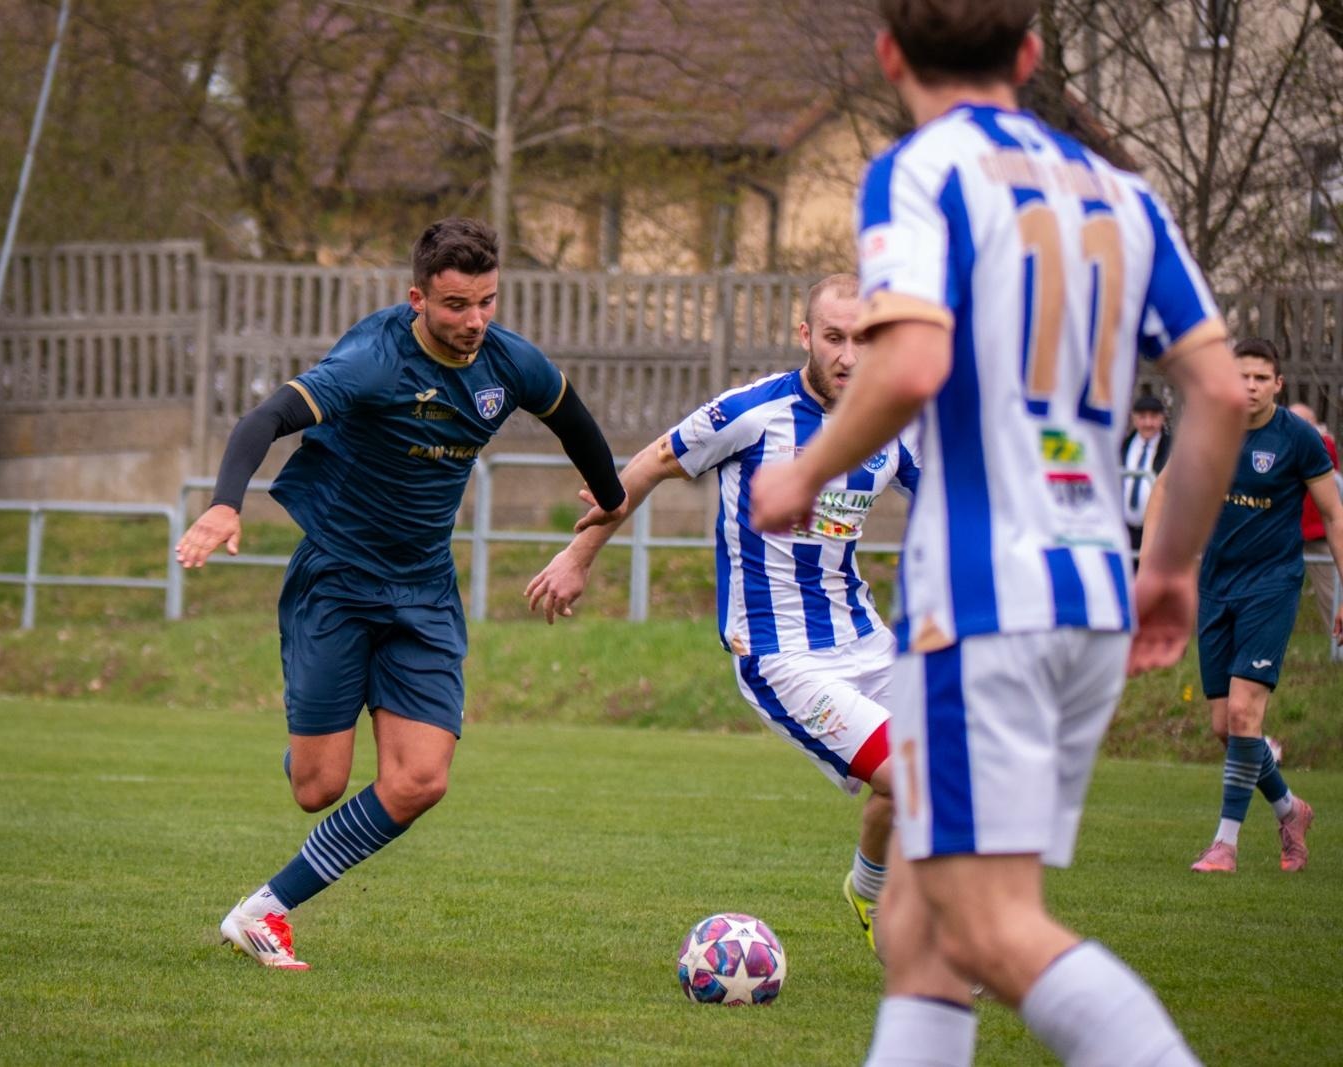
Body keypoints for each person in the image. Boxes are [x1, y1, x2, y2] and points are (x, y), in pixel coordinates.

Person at [745, 2, 1246, 1064]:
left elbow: (913, 361)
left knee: (987, 924)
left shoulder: (918, 172)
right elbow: (1215, 389)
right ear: (1026, 56)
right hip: (1089, 589)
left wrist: (806, 467)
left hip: (983, 602)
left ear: (888, 58)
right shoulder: (1121, 192)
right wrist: (1169, 563)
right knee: (922, 933)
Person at [176, 217, 627, 969]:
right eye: (455, 305)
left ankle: (264, 909)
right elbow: (267, 417)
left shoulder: (510, 363)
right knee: (318, 787)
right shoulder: (370, 363)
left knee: (420, 779)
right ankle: (309, 741)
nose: (474, 321)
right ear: (417, 297)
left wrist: (609, 495)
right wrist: (228, 501)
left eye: (486, 301)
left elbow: (574, 421)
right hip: (338, 581)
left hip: (423, 589)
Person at [525, 273, 918, 957]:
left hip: (867, 640)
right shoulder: (753, 412)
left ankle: (869, 888)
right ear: (805, 335)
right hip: (780, 654)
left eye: (862, 339)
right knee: (916, 776)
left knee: (941, 775)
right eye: (833, 337)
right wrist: (578, 556)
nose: (848, 356)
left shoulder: (891, 425)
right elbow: (648, 464)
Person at [1148, 339, 1343, 875]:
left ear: (1278, 383)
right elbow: (1163, 489)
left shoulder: (1300, 439)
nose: (1250, 386)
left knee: (1242, 714)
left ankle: (1224, 846)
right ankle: (1290, 809)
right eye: (1242, 377)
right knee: (1225, 727)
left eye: (1261, 377)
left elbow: (1333, 513)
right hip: (1216, 586)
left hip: (1272, 585)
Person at [1287, 401, 1340, 628]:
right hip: (1289, 532)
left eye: (1301, 421)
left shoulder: (1323, 445)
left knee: (1330, 593)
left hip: (1317, 533)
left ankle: (1338, 647)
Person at [1120, 394, 1171, 558]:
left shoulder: (1172, 449)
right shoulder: (1123, 446)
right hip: (1125, 530)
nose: (1148, 423)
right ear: (1134, 418)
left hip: (1157, 533)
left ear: (1162, 418)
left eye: (1154, 417)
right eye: (1142, 417)